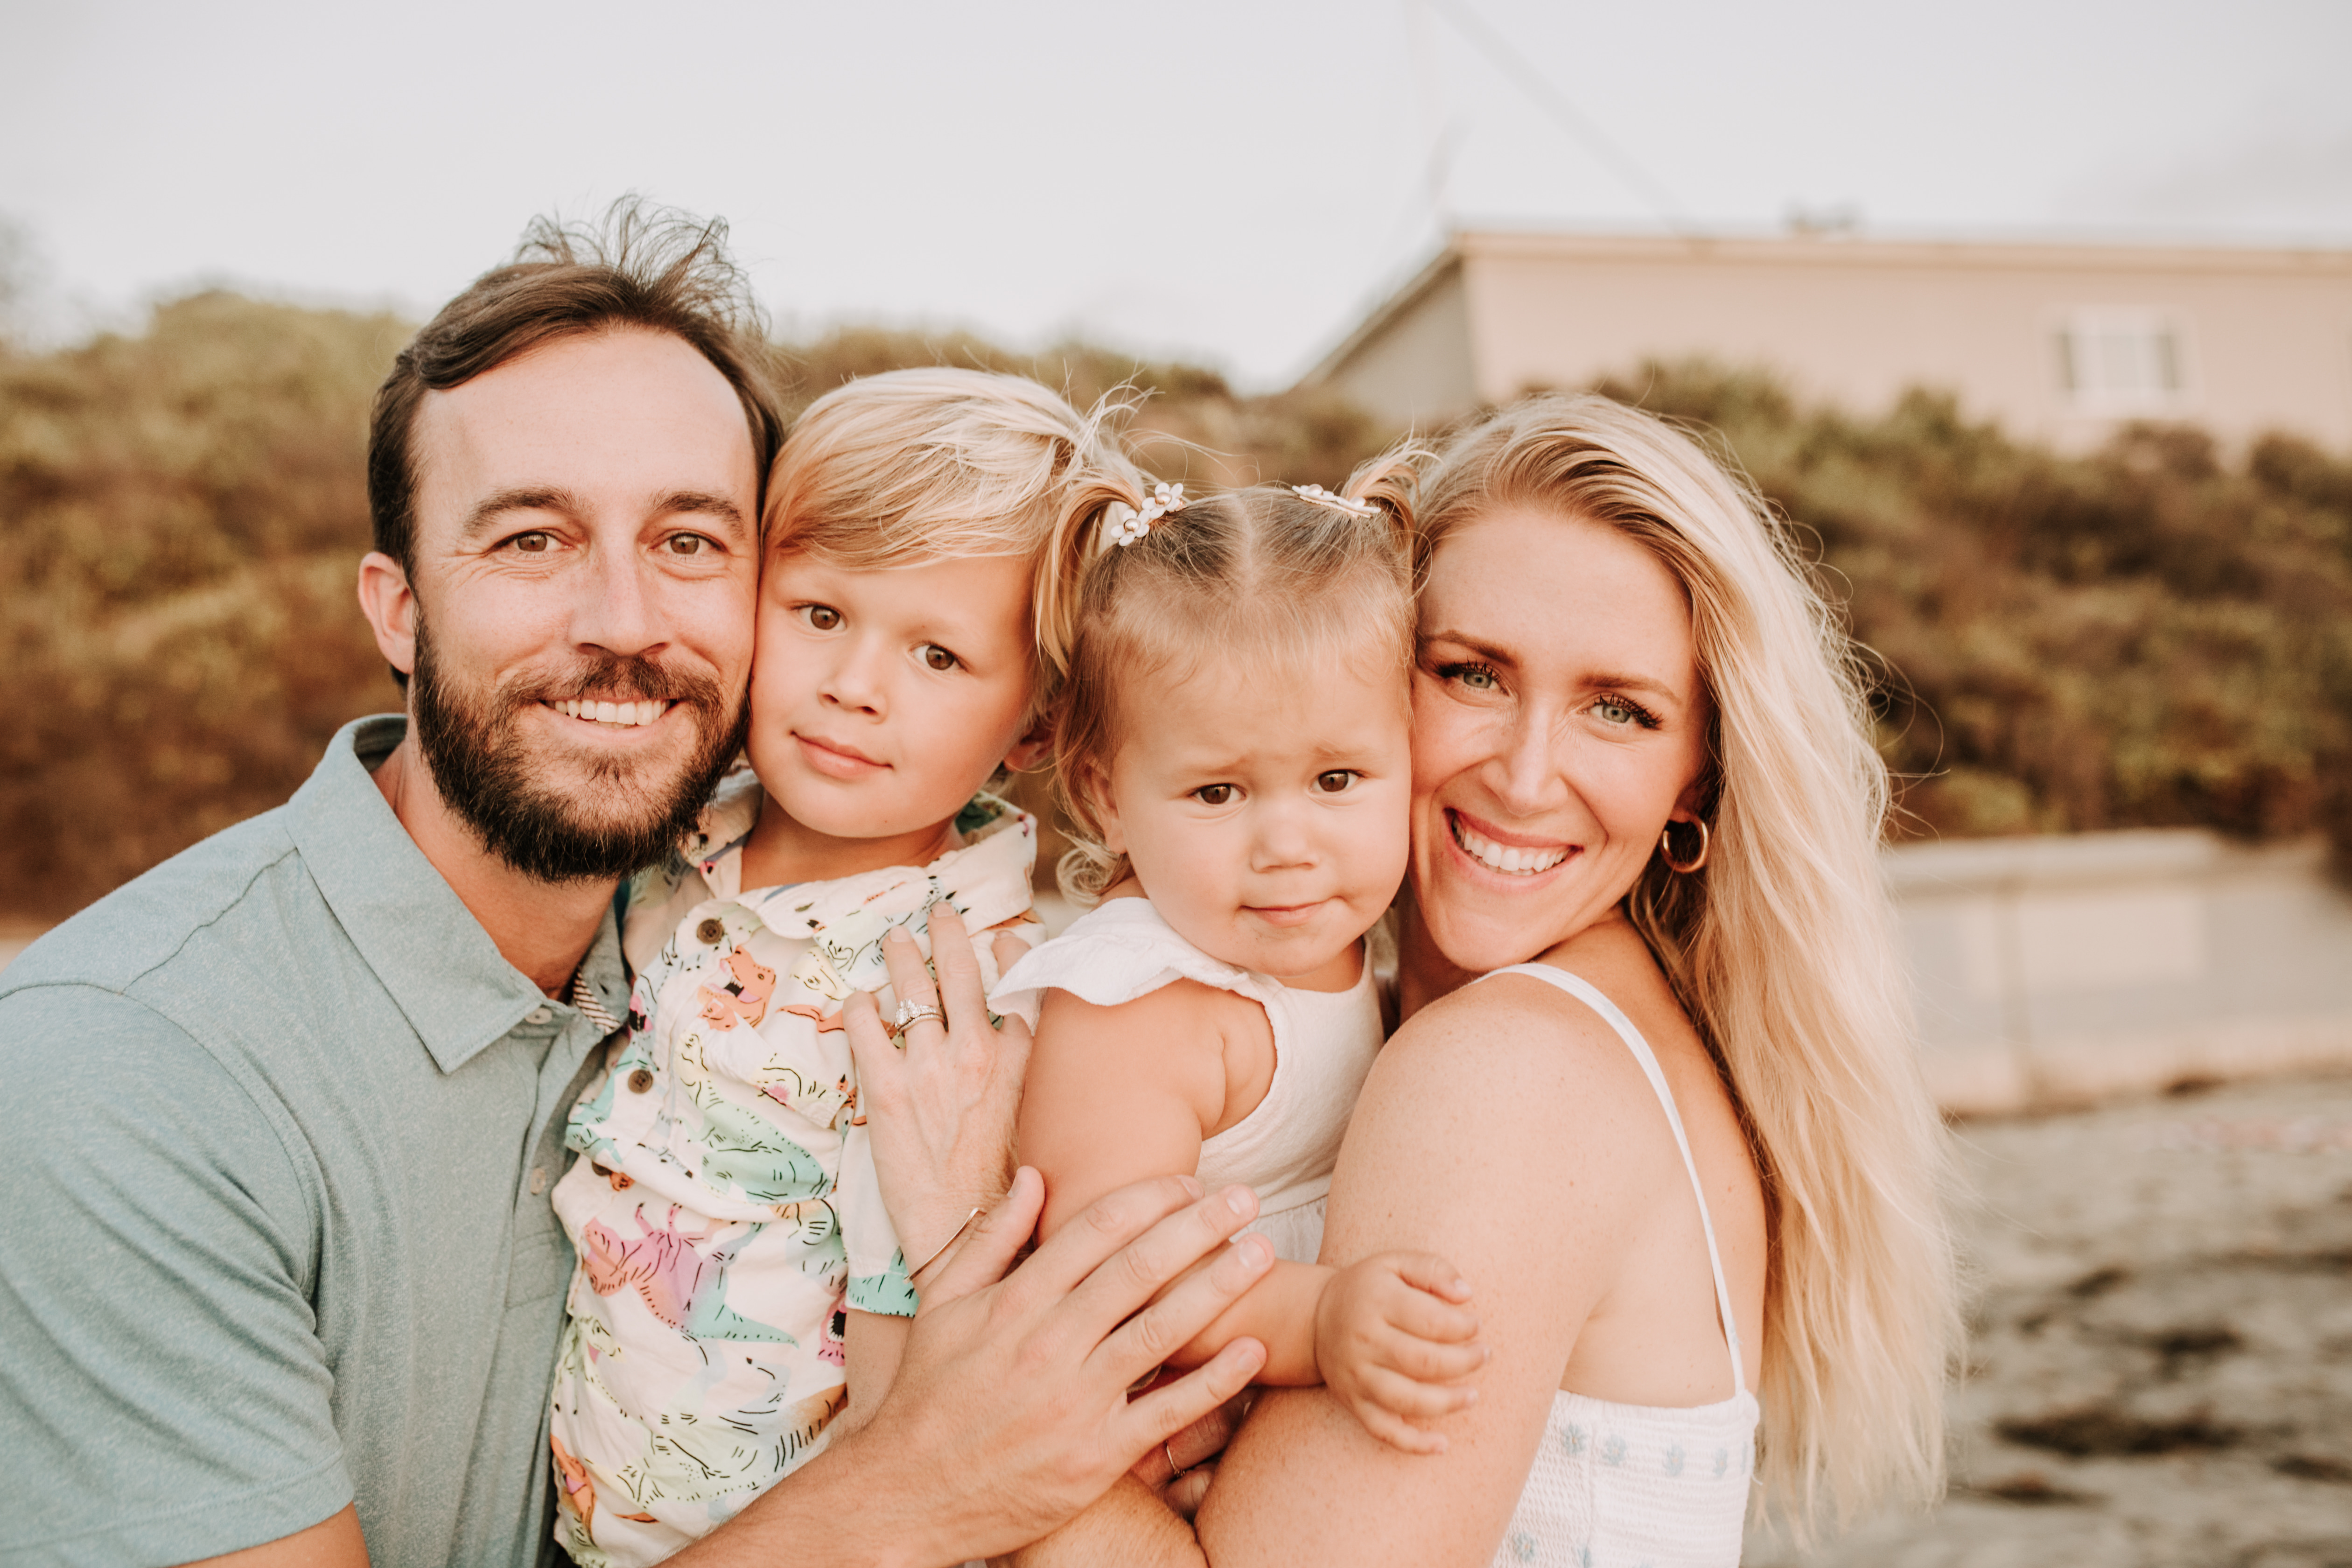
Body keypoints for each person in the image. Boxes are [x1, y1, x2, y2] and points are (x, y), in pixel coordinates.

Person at [0, 205, 1275, 1568]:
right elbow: (952, 1454)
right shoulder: (121, 1076)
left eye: (688, 542)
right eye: (531, 539)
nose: (622, 619)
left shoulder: (792, 940)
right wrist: (929, 1481)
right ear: (397, 607)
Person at [997, 394, 1959, 1566]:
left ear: (1696, 783)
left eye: (1620, 710)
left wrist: (967, 1391)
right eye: (1473, 676)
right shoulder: (1540, 1028)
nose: (1524, 773)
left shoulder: (1510, 1068)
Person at [546, 365, 1145, 1563]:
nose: (855, 689)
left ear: (1030, 725)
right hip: (585, 1515)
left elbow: (915, 1346)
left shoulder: (962, 983)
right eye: (821, 616)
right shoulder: (663, 847)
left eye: (938, 658)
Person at [993, 481, 1488, 1454]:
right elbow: (1113, 1272)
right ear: (1105, 797)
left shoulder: (1339, 922)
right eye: (1218, 792)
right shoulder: (1143, 1003)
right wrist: (1321, 1318)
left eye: (1336, 781)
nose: (1287, 846)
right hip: (1186, 1426)